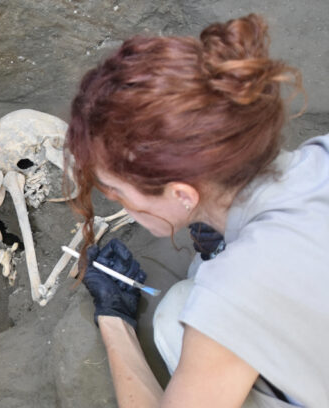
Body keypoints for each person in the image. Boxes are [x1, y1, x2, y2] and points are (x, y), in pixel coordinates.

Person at [65, 14, 329, 407]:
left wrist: (114, 319)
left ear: (183, 194)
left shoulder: (235, 291)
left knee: (176, 316)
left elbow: (243, 291)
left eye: (119, 192)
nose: (120, 204)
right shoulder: (320, 154)